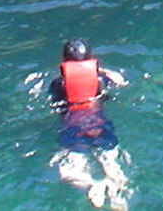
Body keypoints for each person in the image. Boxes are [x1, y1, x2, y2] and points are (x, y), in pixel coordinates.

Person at [26, 39, 132, 210]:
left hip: (73, 127)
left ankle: (91, 185)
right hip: (99, 124)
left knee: (68, 173)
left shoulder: (58, 84)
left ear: (64, 63)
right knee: (114, 167)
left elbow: (53, 101)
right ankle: (118, 199)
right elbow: (121, 81)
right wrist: (100, 71)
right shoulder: (101, 79)